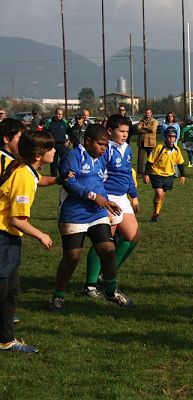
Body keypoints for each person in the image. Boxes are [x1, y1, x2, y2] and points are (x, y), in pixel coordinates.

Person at [48, 124, 133, 313]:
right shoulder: (72, 156)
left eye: (105, 144)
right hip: (74, 213)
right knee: (72, 257)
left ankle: (111, 291)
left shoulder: (100, 159)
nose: (104, 148)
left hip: (96, 213)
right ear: (87, 141)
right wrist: (95, 197)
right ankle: (57, 296)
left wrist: (107, 202)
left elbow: (98, 184)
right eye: (100, 144)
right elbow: (70, 183)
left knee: (108, 249)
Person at [0, 131, 56, 353]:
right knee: (3, 290)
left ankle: (5, 341)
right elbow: (17, 220)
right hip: (3, 238)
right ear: (39, 154)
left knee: (11, 289)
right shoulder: (23, 175)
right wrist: (41, 235)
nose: (54, 151)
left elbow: (40, 180)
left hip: (9, 239)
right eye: (50, 148)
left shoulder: (27, 171)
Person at [83, 115, 140, 298]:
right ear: (110, 131)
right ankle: (90, 285)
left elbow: (127, 173)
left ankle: (106, 274)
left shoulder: (128, 148)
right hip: (108, 197)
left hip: (122, 197)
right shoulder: (106, 150)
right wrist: (104, 199)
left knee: (133, 236)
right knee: (105, 241)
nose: (125, 135)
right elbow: (98, 175)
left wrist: (134, 195)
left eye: (127, 131)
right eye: (121, 131)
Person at [144, 129, 186, 222]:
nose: (171, 139)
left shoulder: (176, 149)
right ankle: (156, 213)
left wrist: (183, 175)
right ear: (166, 137)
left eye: (174, 137)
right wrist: (146, 174)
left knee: (162, 196)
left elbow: (180, 163)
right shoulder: (159, 147)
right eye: (169, 136)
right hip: (156, 173)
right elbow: (149, 161)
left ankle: (156, 214)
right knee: (158, 193)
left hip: (169, 174)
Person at [44, 108, 69, 177]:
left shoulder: (65, 122)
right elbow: (45, 132)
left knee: (64, 161)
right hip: (53, 145)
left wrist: (68, 141)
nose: (59, 116)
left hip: (63, 145)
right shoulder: (49, 122)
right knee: (53, 161)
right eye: (58, 114)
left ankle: (64, 174)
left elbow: (69, 132)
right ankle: (54, 176)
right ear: (55, 114)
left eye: (61, 114)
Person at [136, 108, 159, 177]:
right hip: (142, 142)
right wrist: (146, 129)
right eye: (146, 113)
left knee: (151, 158)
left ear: (151, 113)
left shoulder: (154, 121)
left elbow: (152, 129)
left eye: (148, 113)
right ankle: (140, 173)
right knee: (140, 159)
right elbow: (138, 128)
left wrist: (144, 127)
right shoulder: (142, 120)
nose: (147, 114)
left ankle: (151, 172)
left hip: (150, 142)